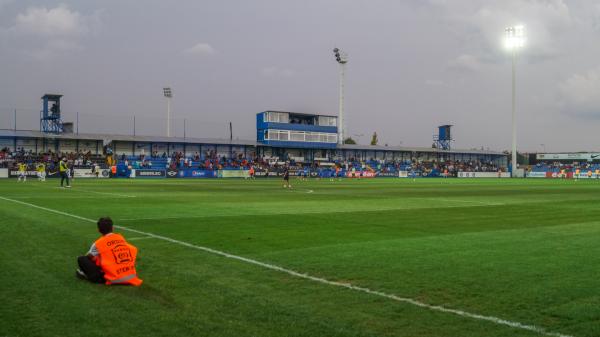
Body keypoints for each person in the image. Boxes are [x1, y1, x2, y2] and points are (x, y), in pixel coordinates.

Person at [76, 217, 143, 286]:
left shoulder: (99, 243)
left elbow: (88, 257)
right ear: (112, 228)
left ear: (99, 230)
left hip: (111, 278)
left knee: (81, 259)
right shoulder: (120, 238)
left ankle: (85, 274)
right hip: (130, 276)